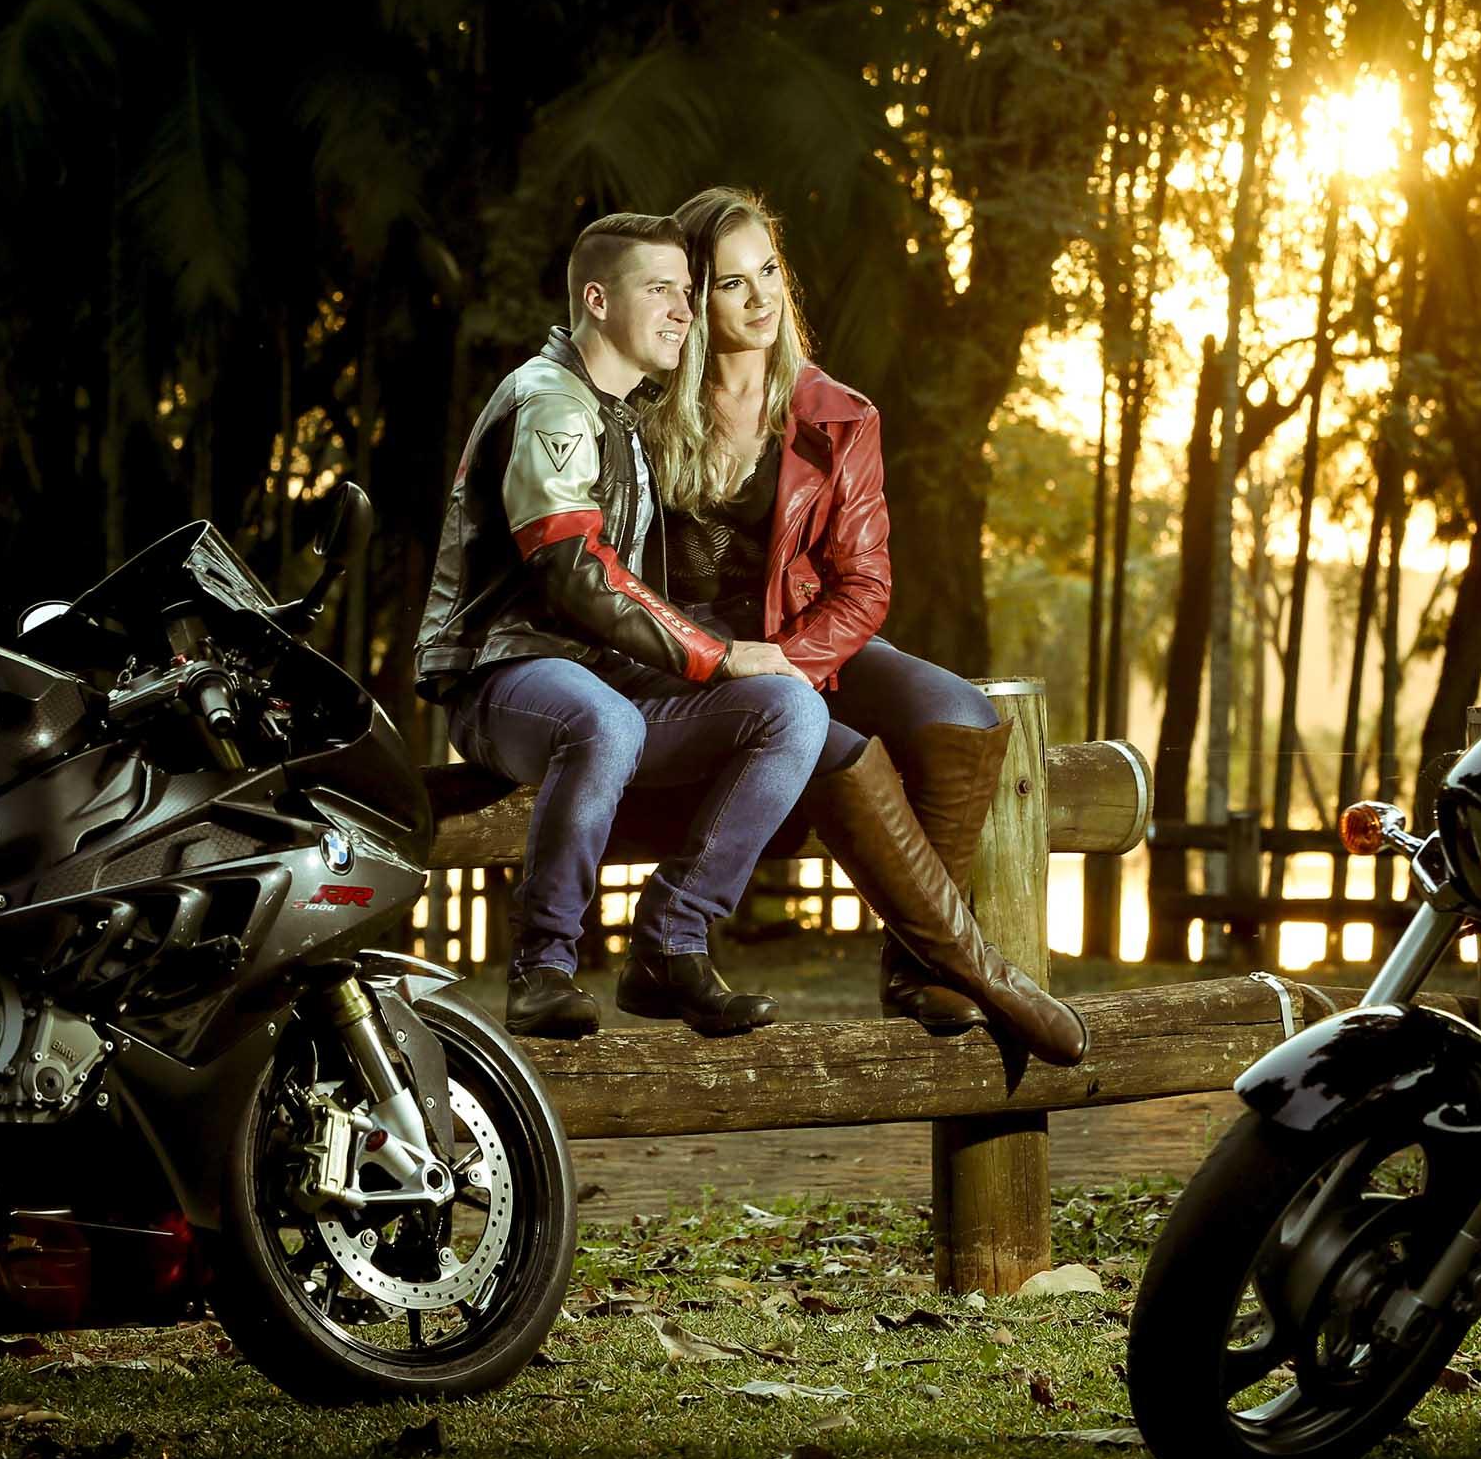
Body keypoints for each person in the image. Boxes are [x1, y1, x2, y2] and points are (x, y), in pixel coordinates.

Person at [640, 186, 1088, 1067]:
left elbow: (865, 584)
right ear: (691, 298)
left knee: (964, 714)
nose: (762, 297)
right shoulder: (641, 414)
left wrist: (786, 662)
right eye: (732, 283)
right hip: (688, 657)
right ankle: (980, 971)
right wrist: (737, 669)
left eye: (770, 271)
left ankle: (914, 966)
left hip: (807, 640)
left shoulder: (839, 415)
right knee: (827, 741)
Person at [414, 212, 830, 1041]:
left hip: (599, 676)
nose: (684, 310)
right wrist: (717, 655)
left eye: (688, 290)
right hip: (500, 675)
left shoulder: (624, 416)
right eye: (659, 290)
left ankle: (672, 939)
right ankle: (542, 967)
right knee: (604, 722)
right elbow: (574, 572)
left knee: (793, 710)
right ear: (597, 301)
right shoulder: (551, 401)